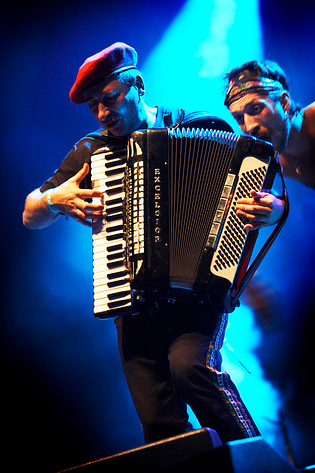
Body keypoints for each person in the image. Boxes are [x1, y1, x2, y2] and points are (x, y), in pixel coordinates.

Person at [23, 42, 285, 445]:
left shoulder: (200, 124)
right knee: (158, 422)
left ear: (138, 85)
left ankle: (260, 466)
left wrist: (272, 207)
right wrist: (53, 200)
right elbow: (30, 213)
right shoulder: (91, 152)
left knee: (190, 370)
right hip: (131, 302)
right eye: (93, 105)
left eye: (109, 98)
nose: (102, 113)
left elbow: (258, 184)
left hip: (200, 293)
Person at [223, 59, 315, 190]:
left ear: (284, 103)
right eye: (239, 118)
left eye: (256, 109)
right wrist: (279, 207)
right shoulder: (268, 161)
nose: (249, 127)